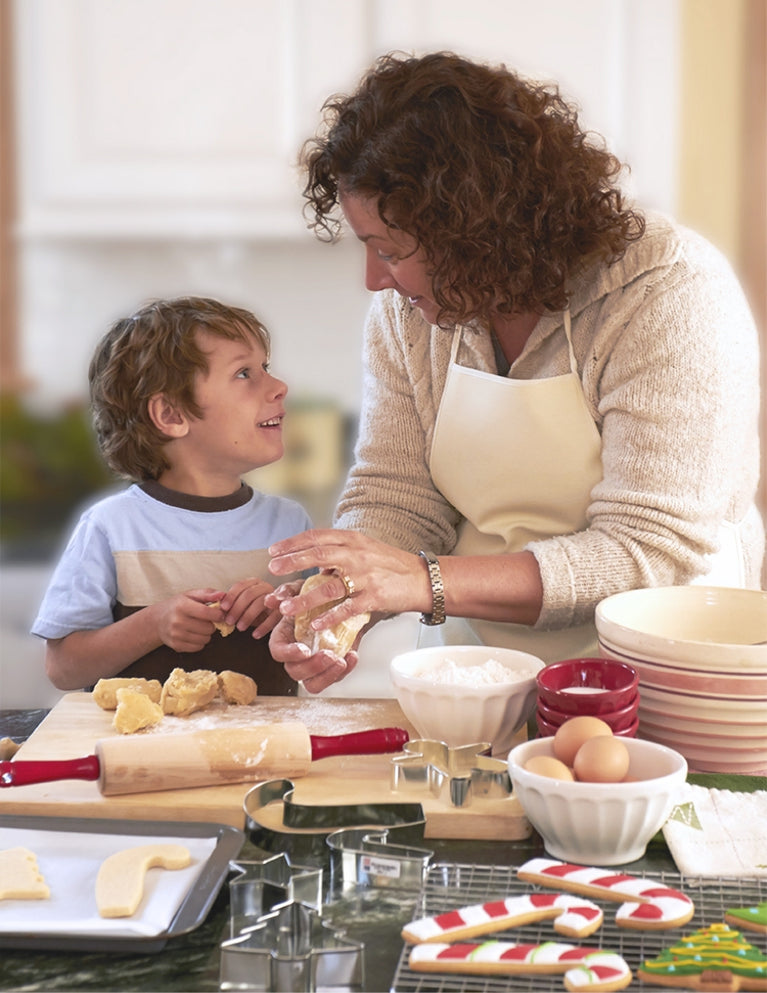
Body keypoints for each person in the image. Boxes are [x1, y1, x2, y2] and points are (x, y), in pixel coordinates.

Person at [264, 51, 764, 695]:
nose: (374, 280)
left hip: (666, 679)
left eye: (390, 251)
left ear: (476, 231)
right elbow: (398, 495)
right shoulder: (408, 315)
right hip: (478, 675)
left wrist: (424, 581)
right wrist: (340, 599)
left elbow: (651, 551)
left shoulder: (664, 291)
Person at [33, 296, 312, 694]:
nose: (280, 386)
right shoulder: (112, 527)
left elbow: (328, 641)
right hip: (138, 754)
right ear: (171, 415)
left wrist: (287, 608)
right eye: (244, 373)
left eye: (264, 367)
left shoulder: (290, 525)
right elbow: (63, 668)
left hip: (265, 752)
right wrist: (154, 624)